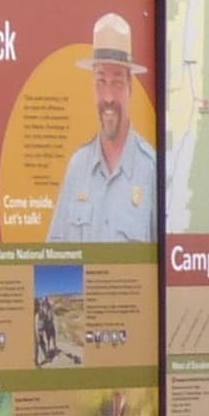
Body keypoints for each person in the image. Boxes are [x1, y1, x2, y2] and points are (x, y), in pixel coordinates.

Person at [43, 13, 157, 245]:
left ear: (130, 88)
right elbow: (52, 263)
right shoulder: (77, 166)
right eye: (101, 81)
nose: (108, 97)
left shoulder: (151, 170)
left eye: (117, 82)